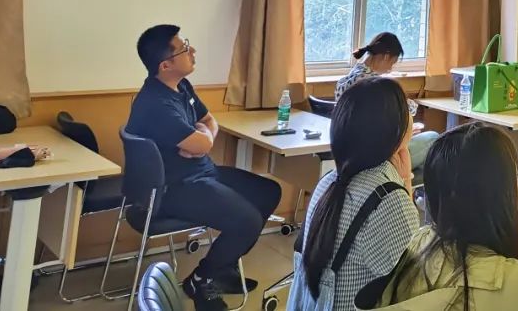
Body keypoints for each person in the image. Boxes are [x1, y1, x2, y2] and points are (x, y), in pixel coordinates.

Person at [126, 25, 282, 311]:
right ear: (165, 65)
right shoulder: (156, 104)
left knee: (268, 191)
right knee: (246, 221)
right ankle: (201, 278)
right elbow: (203, 142)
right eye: (185, 49)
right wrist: (202, 141)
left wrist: (202, 137)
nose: (193, 51)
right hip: (174, 188)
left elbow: (209, 122)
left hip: (202, 173)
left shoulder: (181, 86)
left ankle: (223, 268)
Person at [379, 123, 518, 311]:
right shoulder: (513, 282)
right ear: (501, 193)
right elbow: (510, 296)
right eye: (517, 175)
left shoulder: (419, 242)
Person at [290, 77, 420, 311]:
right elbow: (412, 283)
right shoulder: (388, 200)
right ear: (393, 129)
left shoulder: (329, 181)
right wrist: (405, 181)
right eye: (407, 109)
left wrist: (403, 177)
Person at [336, 32, 438, 172]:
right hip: (378, 157)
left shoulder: (347, 80)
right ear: (385, 56)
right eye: (392, 63)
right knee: (433, 138)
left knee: (423, 165)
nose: (390, 69)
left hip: (351, 153)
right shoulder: (375, 85)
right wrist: (404, 132)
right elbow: (406, 110)